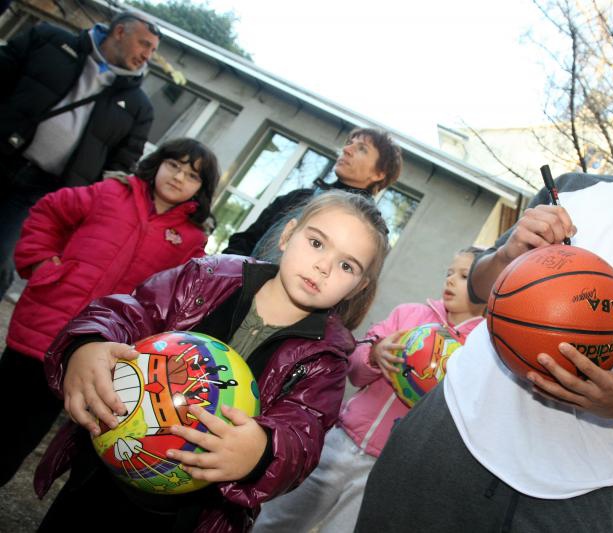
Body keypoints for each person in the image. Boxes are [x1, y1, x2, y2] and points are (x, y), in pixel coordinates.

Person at [355, 67, 613, 532]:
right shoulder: (571, 190)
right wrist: (509, 253)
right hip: (458, 425)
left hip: (585, 477)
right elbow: (479, 289)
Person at [32, 190, 390, 532]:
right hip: (103, 474)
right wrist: (90, 343)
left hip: (187, 516)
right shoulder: (207, 277)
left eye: (347, 265)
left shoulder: (327, 361)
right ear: (287, 236)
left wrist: (262, 452)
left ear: (358, 287)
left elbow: (302, 435)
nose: (324, 266)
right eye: (316, 243)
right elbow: (132, 312)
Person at [0, 137, 219, 487]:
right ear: (157, 163)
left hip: (92, 352)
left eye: (191, 175)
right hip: (41, 328)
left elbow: (177, 302)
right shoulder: (110, 193)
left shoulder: (191, 241)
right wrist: (42, 264)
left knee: (22, 435)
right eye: (174, 165)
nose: (178, 177)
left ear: (201, 190)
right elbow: (48, 212)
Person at [254, 246, 486, 532]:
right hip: (340, 441)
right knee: (278, 519)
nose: (450, 280)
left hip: (386, 467)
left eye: (464, 276)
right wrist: (375, 355)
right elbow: (355, 371)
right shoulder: (409, 315)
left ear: (487, 288)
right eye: (449, 272)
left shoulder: (482, 349)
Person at [0, 11, 159, 298]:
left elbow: (120, 168)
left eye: (153, 49)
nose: (147, 55)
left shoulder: (139, 107)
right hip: (3, 154)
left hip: (41, 192)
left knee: (1, 253)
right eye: (144, 44)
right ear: (120, 32)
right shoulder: (48, 41)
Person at [223, 127, 402, 260]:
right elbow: (244, 241)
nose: (347, 150)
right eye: (349, 144)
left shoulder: (370, 230)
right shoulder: (297, 197)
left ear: (379, 174)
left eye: (362, 149)